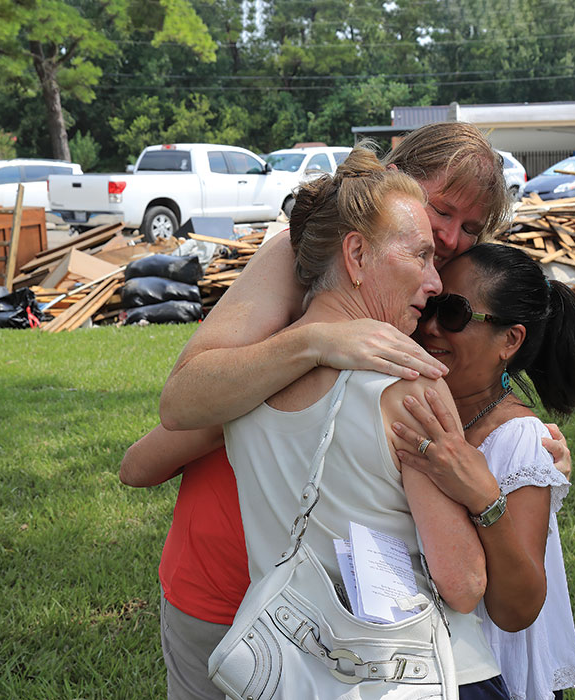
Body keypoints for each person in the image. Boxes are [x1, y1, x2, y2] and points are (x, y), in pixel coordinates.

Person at [120, 123, 570, 699]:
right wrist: (313, 346)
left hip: (354, 621)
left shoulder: (417, 299)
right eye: (441, 209)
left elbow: (439, 409)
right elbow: (176, 413)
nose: (451, 237)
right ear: (394, 181)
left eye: (471, 228)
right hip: (233, 577)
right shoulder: (305, 253)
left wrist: (521, 445)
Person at [225, 146, 517, 697]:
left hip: (297, 676)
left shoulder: (246, 380)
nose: (435, 282)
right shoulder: (412, 385)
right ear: (356, 255)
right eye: (420, 256)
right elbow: (463, 583)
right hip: (430, 674)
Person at [390, 243, 575, 699]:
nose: (430, 326)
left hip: (493, 675)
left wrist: (483, 497)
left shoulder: (520, 440)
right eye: (431, 305)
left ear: (510, 341)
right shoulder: (436, 408)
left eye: (455, 314)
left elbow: (519, 607)